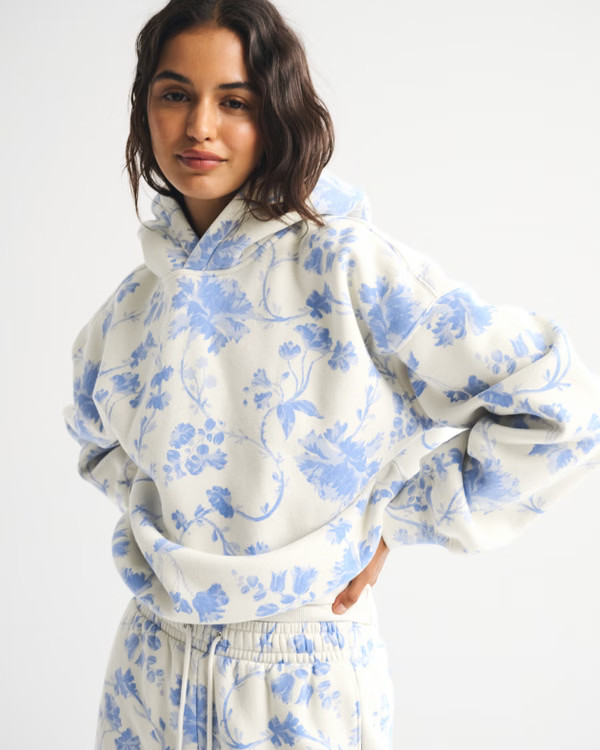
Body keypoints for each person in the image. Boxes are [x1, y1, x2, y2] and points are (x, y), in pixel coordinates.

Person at [62, 1, 600, 748]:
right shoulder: (130, 306)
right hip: (148, 674)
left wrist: (398, 520)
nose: (199, 127)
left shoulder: (347, 264)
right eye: (175, 93)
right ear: (144, 106)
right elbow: (95, 441)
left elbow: (559, 404)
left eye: (235, 101)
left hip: (300, 680)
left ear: (277, 112)